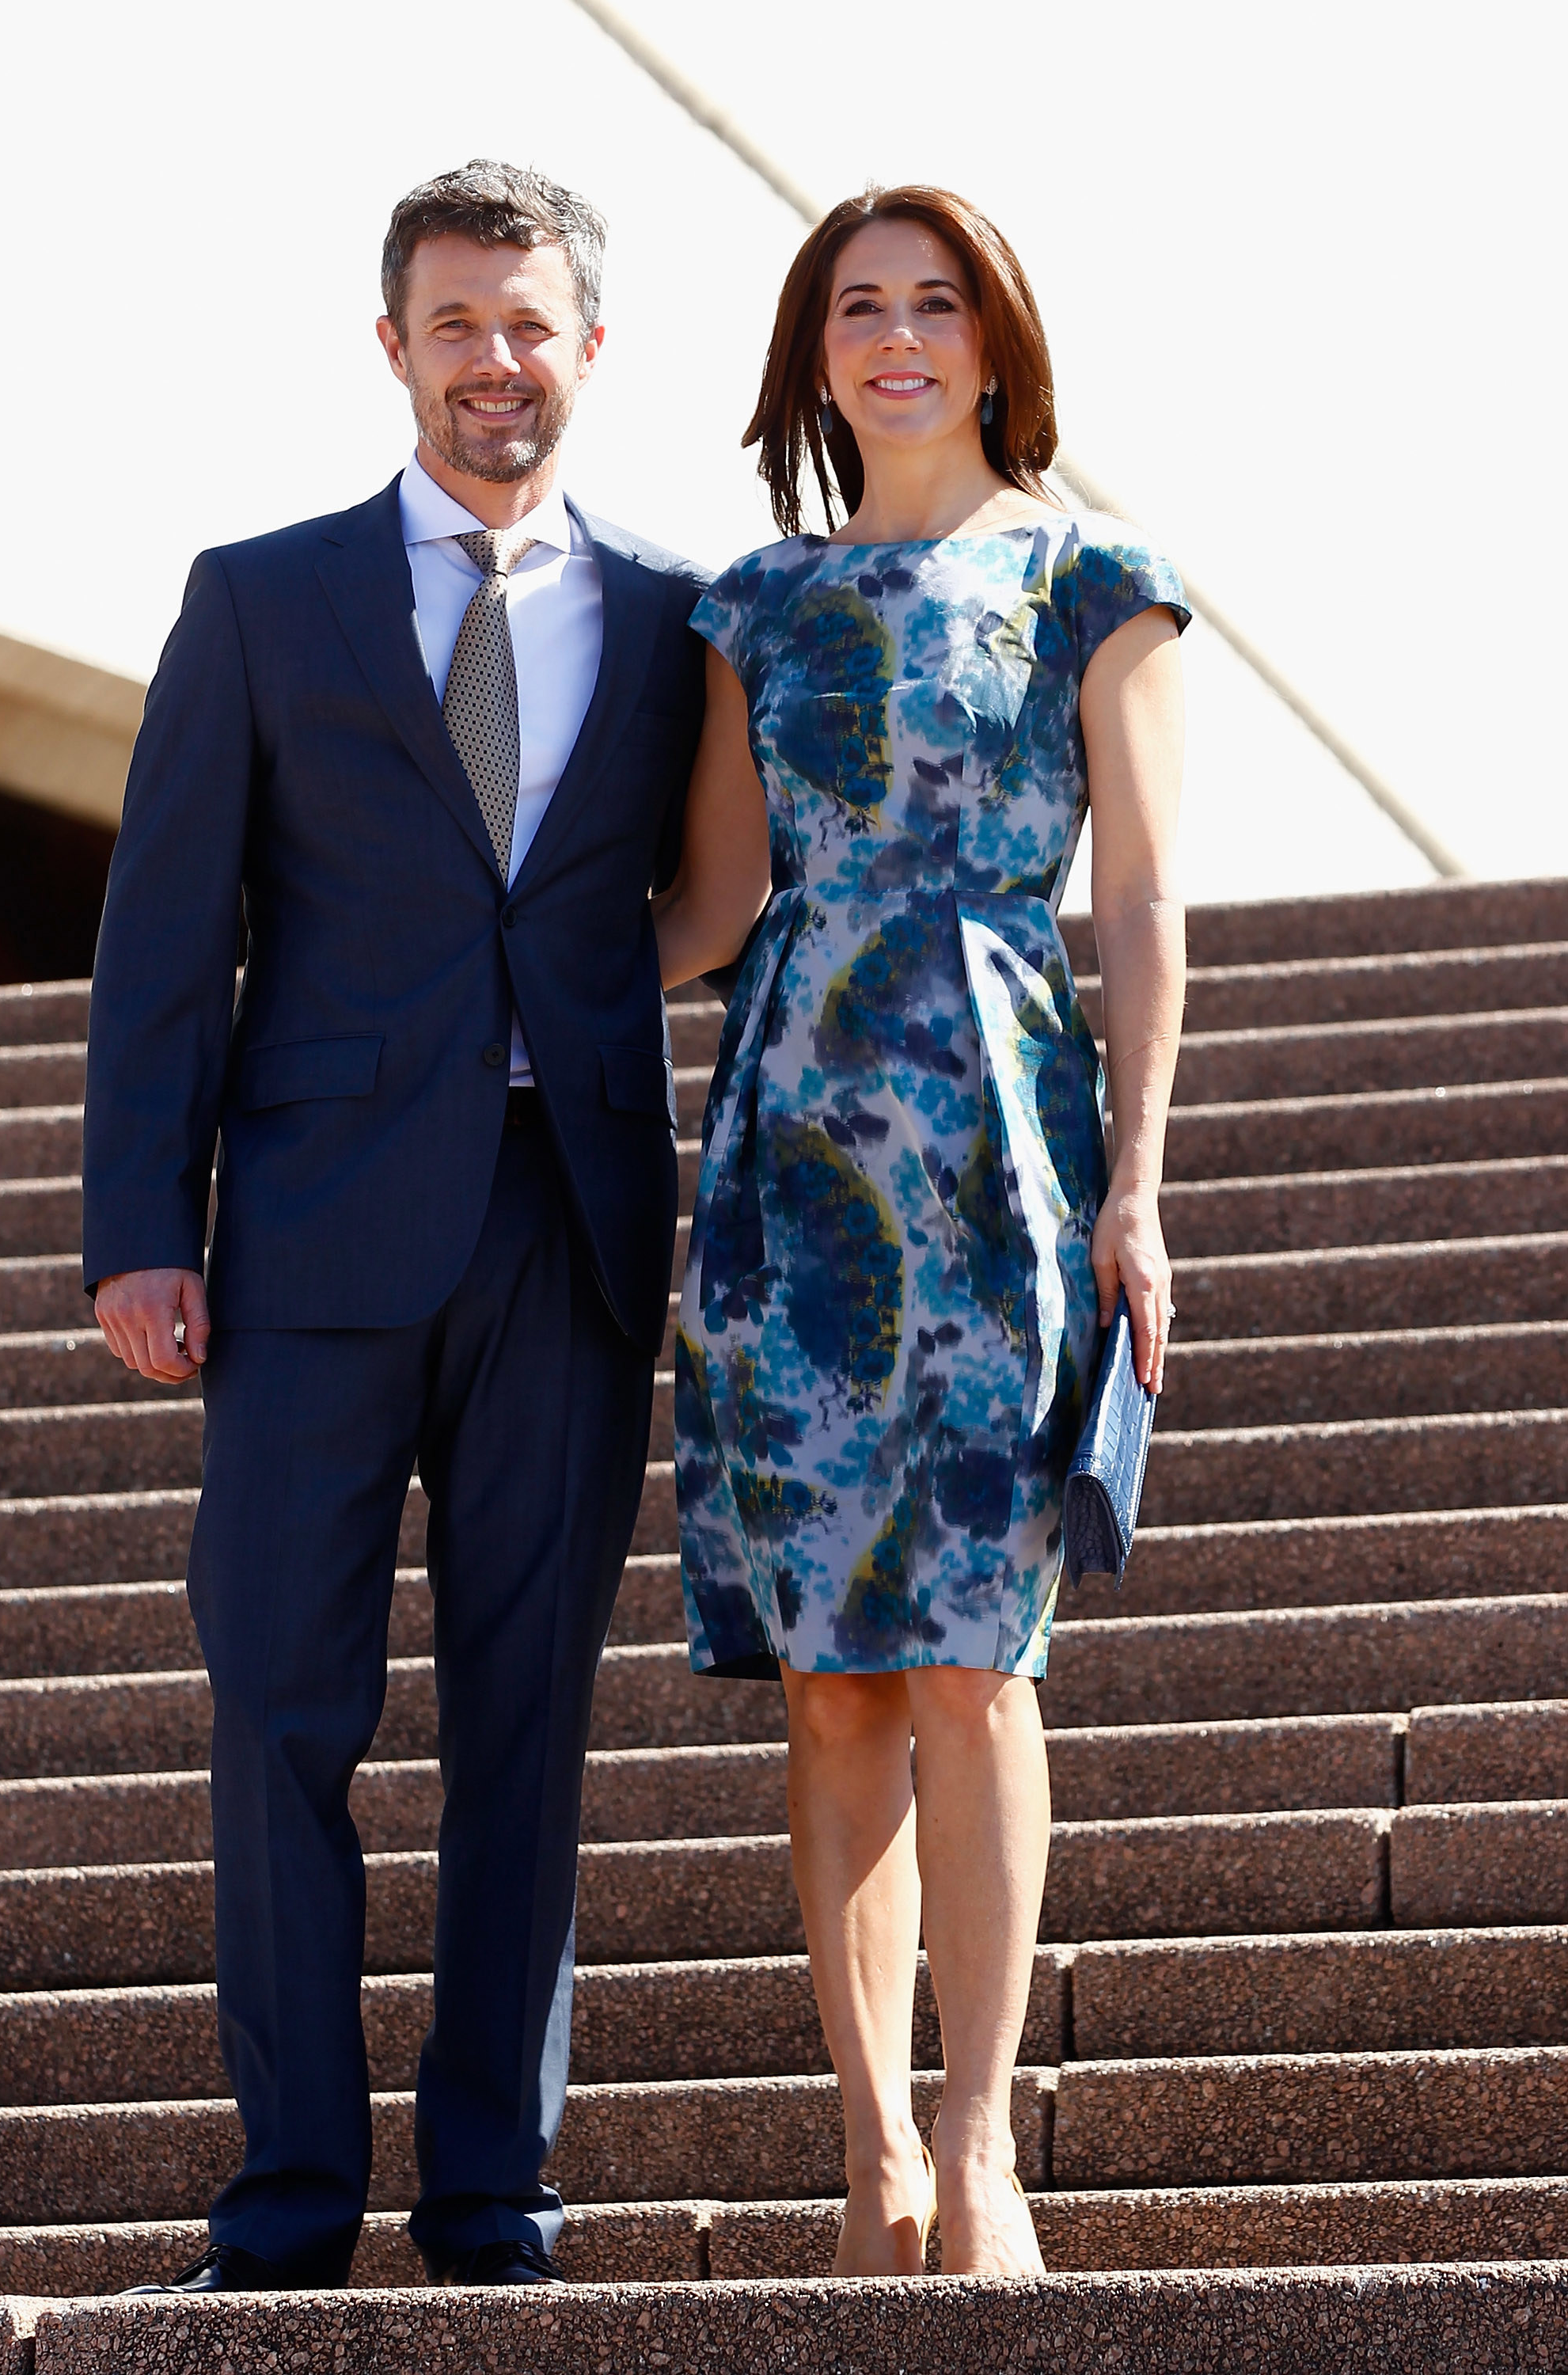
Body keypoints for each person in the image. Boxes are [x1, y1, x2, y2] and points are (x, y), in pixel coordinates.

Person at [82, 159, 708, 2292]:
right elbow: (166, 933)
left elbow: (701, 894)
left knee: (530, 1723)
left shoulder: (677, 614)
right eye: (456, 325)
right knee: (279, 1704)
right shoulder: (262, 602)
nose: (494, 364)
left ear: (588, 351)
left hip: (570, 1228)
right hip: (315, 1240)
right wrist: (138, 1229)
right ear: (395, 348)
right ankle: (286, 2196)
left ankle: (491, 2190)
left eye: (530, 326)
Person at [651, 184, 1186, 2279]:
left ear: (994, 337)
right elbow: (704, 909)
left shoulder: (1090, 573)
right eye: (856, 306)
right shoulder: (754, 607)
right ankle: (867, 2147)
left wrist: (1139, 1181)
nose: (896, 335)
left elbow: (1139, 900)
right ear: (813, 354)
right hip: (788, 1159)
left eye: (933, 302)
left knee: (972, 1660)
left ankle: (983, 2149)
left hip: (1002, 1145)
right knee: (831, 1687)